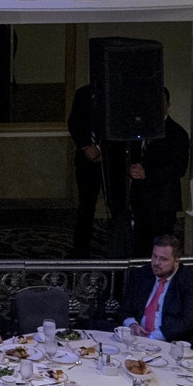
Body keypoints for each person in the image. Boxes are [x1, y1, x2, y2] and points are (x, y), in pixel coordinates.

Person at [67, 83, 130, 258]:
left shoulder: (118, 92)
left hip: (112, 163)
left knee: (117, 207)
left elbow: (122, 126)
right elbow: (74, 123)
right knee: (85, 207)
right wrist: (86, 146)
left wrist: (104, 151)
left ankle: (118, 250)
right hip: (86, 162)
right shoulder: (83, 93)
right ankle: (80, 251)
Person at [128, 90, 191, 258]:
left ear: (168, 104)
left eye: (160, 100)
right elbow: (134, 156)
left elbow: (179, 168)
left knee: (161, 247)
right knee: (140, 245)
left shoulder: (177, 133)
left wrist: (147, 173)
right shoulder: (140, 130)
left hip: (163, 201)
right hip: (140, 198)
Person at [118, 234, 193, 345]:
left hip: (172, 344)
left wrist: (152, 337)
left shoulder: (191, 282)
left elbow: (188, 322)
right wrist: (132, 325)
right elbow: (125, 309)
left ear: (176, 261)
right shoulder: (142, 274)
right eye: (154, 256)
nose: (156, 263)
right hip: (136, 341)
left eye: (163, 259)